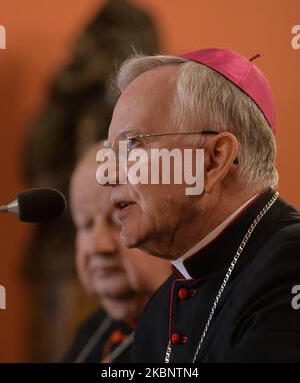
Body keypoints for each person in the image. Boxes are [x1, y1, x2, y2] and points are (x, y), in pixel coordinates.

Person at [99, 48, 300, 362]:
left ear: (213, 160)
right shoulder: (158, 313)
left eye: (132, 144)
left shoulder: (290, 267)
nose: (106, 174)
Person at [65, 143, 170, 363]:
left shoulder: (203, 330)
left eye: (117, 220)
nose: (98, 245)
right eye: (85, 224)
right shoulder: (92, 332)